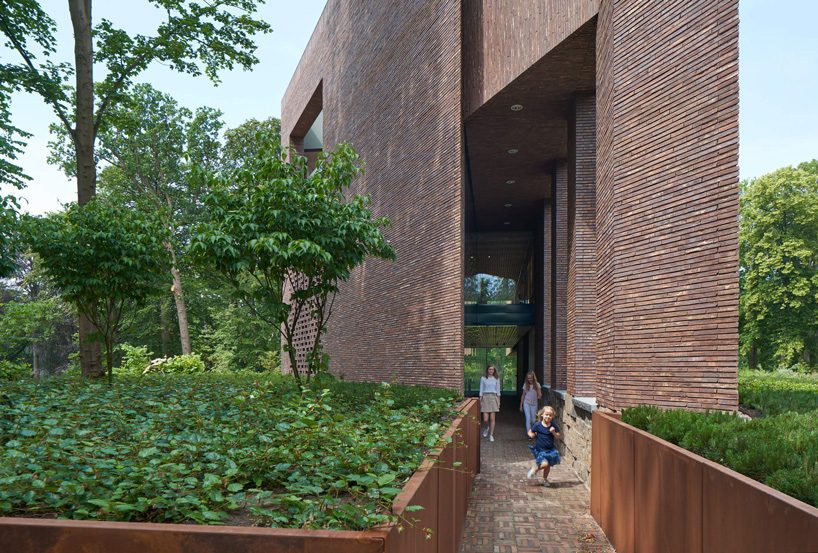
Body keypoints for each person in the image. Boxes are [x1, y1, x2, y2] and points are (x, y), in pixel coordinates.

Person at [526, 405, 561, 486]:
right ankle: (535, 469)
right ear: (542, 414)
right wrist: (531, 435)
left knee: (548, 466)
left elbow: (558, 436)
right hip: (540, 450)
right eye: (546, 414)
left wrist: (553, 432)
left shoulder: (553, 425)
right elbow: (530, 431)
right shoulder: (537, 425)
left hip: (550, 450)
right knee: (545, 464)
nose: (548, 416)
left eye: (550, 415)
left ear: (552, 416)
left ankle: (545, 479)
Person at [479, 364, 501, 442]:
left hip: (493, 398)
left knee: (492, 418)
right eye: (490, 369)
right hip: (485, 398)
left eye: (492, 369)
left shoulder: (496, 379)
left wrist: (499, 402)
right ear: (487, 370)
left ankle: (491, 435)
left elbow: (498, 391)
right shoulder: (483, 378)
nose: (491, 371)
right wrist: (480, 400)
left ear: (494, 370)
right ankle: (487, 428)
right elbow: (481, 390)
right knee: (485, 419)